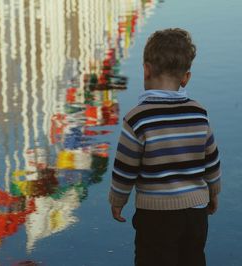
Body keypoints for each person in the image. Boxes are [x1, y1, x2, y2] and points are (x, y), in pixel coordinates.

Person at [108, 28, 221, 266]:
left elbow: (124, 169)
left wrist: (118, 200)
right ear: (185, 77)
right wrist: (214, 191)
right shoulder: (199, 114)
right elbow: (211, 159)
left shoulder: (137, 119)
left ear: (146, 69)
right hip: (196, 213)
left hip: (156, 216)